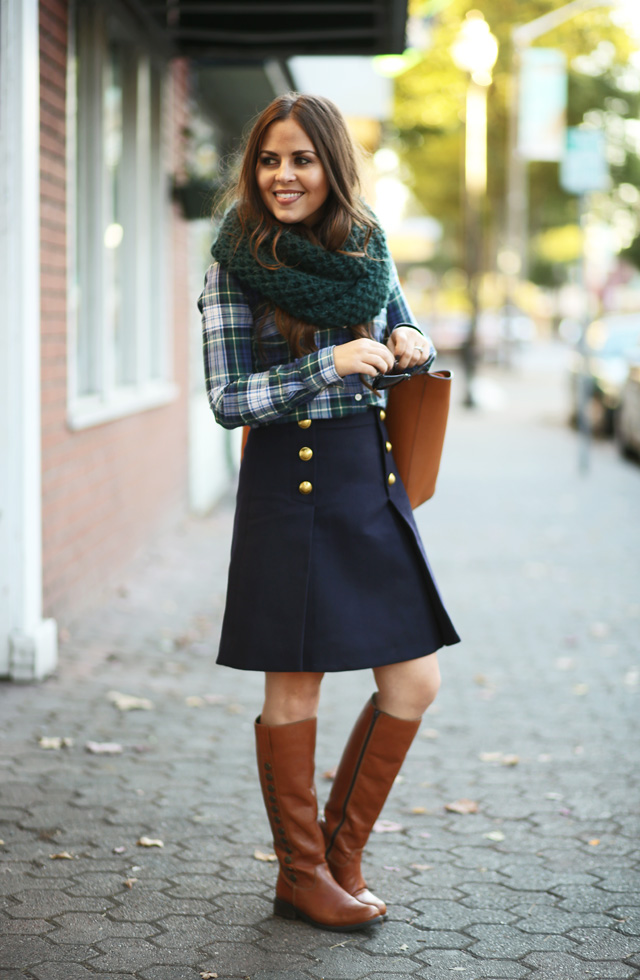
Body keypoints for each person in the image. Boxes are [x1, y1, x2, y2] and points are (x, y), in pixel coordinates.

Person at [198, 93, 460, 933]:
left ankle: (339, 857)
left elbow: (399, 320)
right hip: (292, 489)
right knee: (295, 685)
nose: (283, 175)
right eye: (270, 160)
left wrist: (413, 339)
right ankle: (301, 876)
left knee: (416, 680)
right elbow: (227, 399)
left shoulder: (366, 245)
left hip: (371, 483)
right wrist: (328, 367)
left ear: (332, 167)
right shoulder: (233, 263)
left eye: (301, 160)